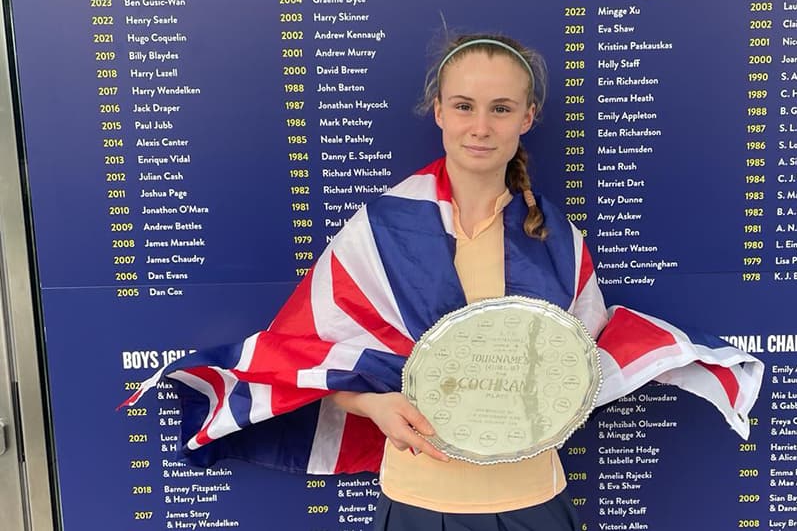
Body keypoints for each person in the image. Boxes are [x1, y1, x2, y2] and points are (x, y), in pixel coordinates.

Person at [123, 34, 763, 531]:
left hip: (535, 495)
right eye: (464, 106)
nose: (480, 126)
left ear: (527, 118)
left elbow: (578, 366)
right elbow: (311, 357)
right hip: (419, 499)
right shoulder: (378, 230)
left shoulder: (560, 241)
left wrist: (668, 356)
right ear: (439, 112)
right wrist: (372, 404)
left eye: (501, 108)